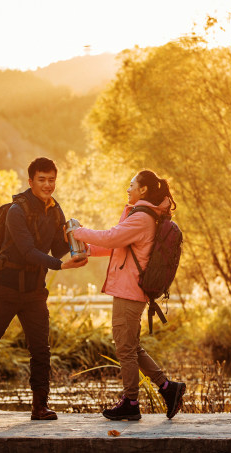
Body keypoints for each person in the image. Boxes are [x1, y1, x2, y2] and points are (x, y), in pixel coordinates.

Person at [0, 157, 88, 420]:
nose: (48, 185)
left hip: (34, 291)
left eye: (51, 180)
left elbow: (58, 249)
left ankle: (39, 406)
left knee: (41, 349)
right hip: (5, 288)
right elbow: (27, 251)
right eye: (42, 180)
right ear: (31, 181)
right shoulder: (17, 210)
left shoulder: (55, 210)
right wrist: (61, 266)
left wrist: (79, 249)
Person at [72, 170, 186, 421]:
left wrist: (79, 233)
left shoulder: (142, 218)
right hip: (131, 289)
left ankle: (131, 402)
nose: (128, 188)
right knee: (132, 347)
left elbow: (112, 237)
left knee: (125, 349)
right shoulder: (143, 216)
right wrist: (88, 249)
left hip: (129, 291)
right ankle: (169, 388)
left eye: (132, 184)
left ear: (143, 190)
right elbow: (117, 244)